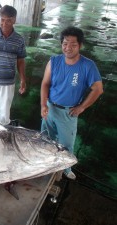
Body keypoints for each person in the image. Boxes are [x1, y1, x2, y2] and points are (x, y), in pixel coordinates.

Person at [40, 26, 103, 180]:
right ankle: (44, 163)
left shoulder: (88, 65)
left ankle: (67, 168)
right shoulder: (54, 61)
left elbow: (98, 89)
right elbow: (45, 84)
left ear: (80, 45)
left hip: (68, 113)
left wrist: (82, 107)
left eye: (73, 45)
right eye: (65, 44)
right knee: (44, 139)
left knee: (67, 144)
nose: (68, 48)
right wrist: (43, 104)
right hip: (50, 107)